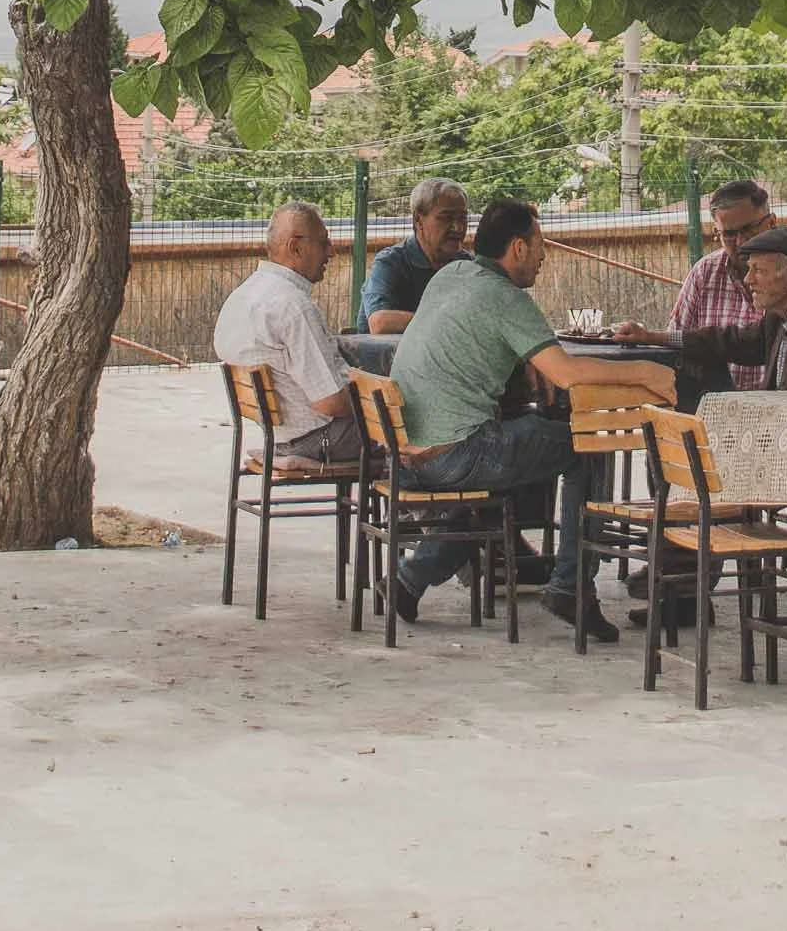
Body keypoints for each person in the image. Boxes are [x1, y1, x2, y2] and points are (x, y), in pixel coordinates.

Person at [388, 196, 674, 643]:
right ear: (518, 247)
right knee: (584, 444)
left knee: (523, 457)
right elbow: (567, 373)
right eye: (540, 245)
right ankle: (572, 585)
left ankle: (410, 579)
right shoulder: (505, 298)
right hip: (456, 454)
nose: (543, 257)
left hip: (406, 453)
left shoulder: (452, 274)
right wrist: (648, 371)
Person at [616, 225, 787, 399]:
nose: (749, 279)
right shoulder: (782, 315)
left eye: (759, 270)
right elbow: (729, 341)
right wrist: (652, 337)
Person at [213, 202, 359, 463]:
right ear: (295, 247)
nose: (331, 253)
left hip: (278, 437)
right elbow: (331, 402)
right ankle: (421, 502)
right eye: (324, 243)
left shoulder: (243, 294)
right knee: (420, 430)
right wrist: (378, 401)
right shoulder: (293, 306)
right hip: (318, 440)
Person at [670, 178, 773, 387]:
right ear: (717, 234)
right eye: (730, 234)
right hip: (711, 408)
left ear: (771, 223)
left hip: (782, 411)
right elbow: (675, 346)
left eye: (749, 229)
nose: (742, 242)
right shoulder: (704, 273)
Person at [356, 177, 469, 331]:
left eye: (463, 218)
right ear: (418, 220)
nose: (458, 227)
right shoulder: (391, 262)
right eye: (446, 218)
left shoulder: (468, 265)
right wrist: (450, 322)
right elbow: (380, 323)